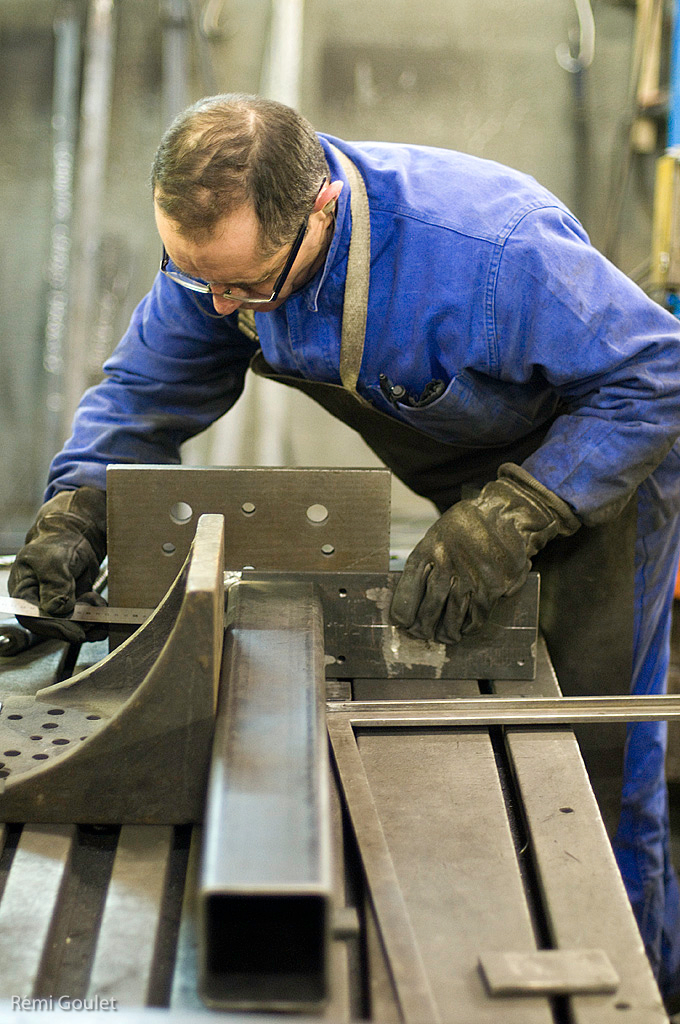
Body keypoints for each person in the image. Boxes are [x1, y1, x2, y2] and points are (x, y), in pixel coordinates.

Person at [9, 93, 680, 1003]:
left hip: (607, 474)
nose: (220, 304)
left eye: (245, 287)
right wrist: (79, 502)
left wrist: (516, 513)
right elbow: (141, 396)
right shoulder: (225, 261)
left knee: (594, 760)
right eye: (195, 277)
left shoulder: (490, 251)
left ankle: (643, 981)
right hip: (473, 479)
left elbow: (656, 372)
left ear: (319, 210)